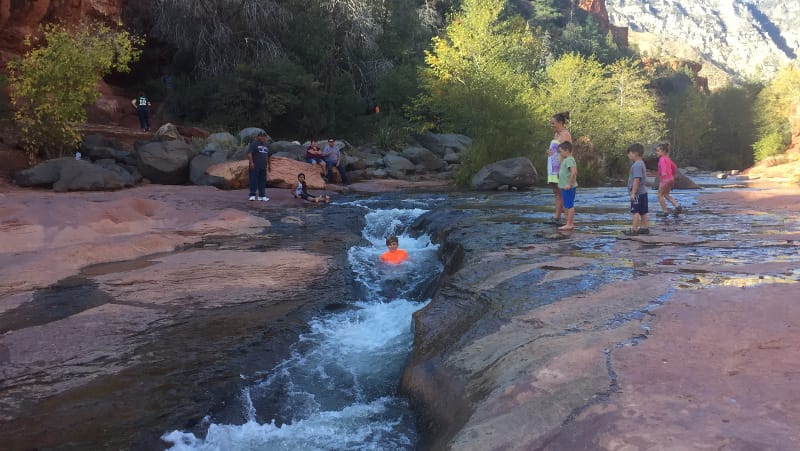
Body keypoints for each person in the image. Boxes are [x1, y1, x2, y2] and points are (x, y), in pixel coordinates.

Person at [545, 112, 572, 225]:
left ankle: (566, 220)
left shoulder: (565, 134)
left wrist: (564, 169)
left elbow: (569, 152)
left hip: (560, 167)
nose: (552, 125)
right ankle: (556, 217)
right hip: (552, 166)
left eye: (553, 123)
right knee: (556, 192)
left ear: (560, 122)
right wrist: (549, 152)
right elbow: (556, 149)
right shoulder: (556, 135)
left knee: (562, 193)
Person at [623, 143, 650, 235]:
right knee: (643, 211)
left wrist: (633, 193)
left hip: (637, 192)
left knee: (636, 211)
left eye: (629, 153)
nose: (628, 155)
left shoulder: (636, 165)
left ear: (635, 153)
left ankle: (634, 230)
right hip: (643, 191)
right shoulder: (641, 163)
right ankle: (645, 228)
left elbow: (636, 180)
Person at [655, 142, 683, 216]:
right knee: (666, 194)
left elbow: (663, 166)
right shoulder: (668, 159)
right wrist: (672, 175)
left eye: (658, 151)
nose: (656, 152)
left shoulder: (662, 159)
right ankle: (677, 206)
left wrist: (664, 172)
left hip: (665, 180)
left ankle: (665, 211)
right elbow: (675, 167)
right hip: (671, 179)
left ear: (663, 152)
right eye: (656, 151)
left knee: (660, 195)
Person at [556, 141, 578, 231]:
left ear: (567, 150)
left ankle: (569, 224)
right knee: (567, 205)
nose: (559, 153)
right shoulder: (566, 159)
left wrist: (569, 183)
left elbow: (574, 172)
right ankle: (568, 223)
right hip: (565, 187)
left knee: (569, 205)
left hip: (569, 187)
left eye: (560, 151)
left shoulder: (569, 159)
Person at [247, 131, 271, 202]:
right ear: (258, 137)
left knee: (262, 181)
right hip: (255, 166)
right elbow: (249, 153)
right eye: (261, 136)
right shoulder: (254, 144)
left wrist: (269, 165)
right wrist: (251, 163)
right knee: (253, 180)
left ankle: (262, 196)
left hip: (263, 166)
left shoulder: (267, 145)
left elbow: (269, 156)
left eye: (264, 136)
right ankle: (252, 195)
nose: (263, 137)